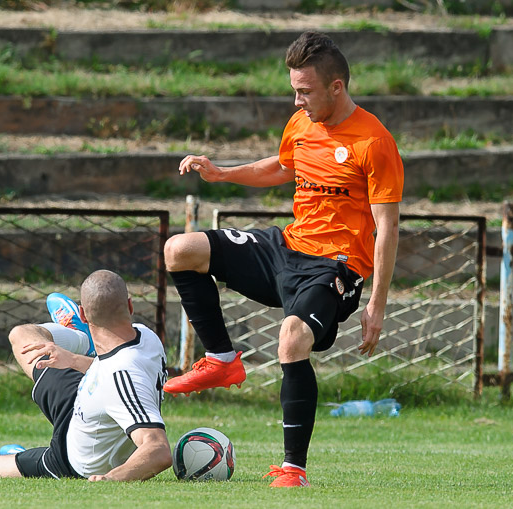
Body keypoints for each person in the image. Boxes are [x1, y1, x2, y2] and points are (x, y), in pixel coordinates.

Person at [162, 31, 404, 487]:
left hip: (336, 267)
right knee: (180, 250)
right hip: (287, 249)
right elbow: (282, 166)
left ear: (336, 87)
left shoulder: (374, 142)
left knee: (292, 338)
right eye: (294, 90)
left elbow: (388, 228)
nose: (297, 101)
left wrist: (377, 304)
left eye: (305, 91)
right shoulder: (301, 123)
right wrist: (221, 173)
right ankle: (221, 359)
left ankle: (293, 469)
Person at [0, 270, 172, 481]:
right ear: (130, 306)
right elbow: (115, 374)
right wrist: (73, 360)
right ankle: (83, 339)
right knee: (22, 335)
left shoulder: (121, 374)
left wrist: (110, 478)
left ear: (83, 313)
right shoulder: (145, 336)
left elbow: (157, 449)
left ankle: (20, 456)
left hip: (70, 459)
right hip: (86, 398)